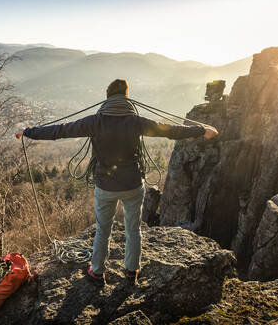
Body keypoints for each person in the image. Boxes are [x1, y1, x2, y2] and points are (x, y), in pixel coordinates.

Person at [15, 79, 218, 285]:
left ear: (108, 96)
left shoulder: (95, 122)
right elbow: (170, 131)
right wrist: (201, 130)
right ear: (126, 96)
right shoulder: (137, 122)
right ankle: (131, 272)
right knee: (133, 229)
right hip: (133, 185)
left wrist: (28, 132)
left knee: (103, 230)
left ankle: (97, 272)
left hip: (106, 186)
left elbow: (59, 131)